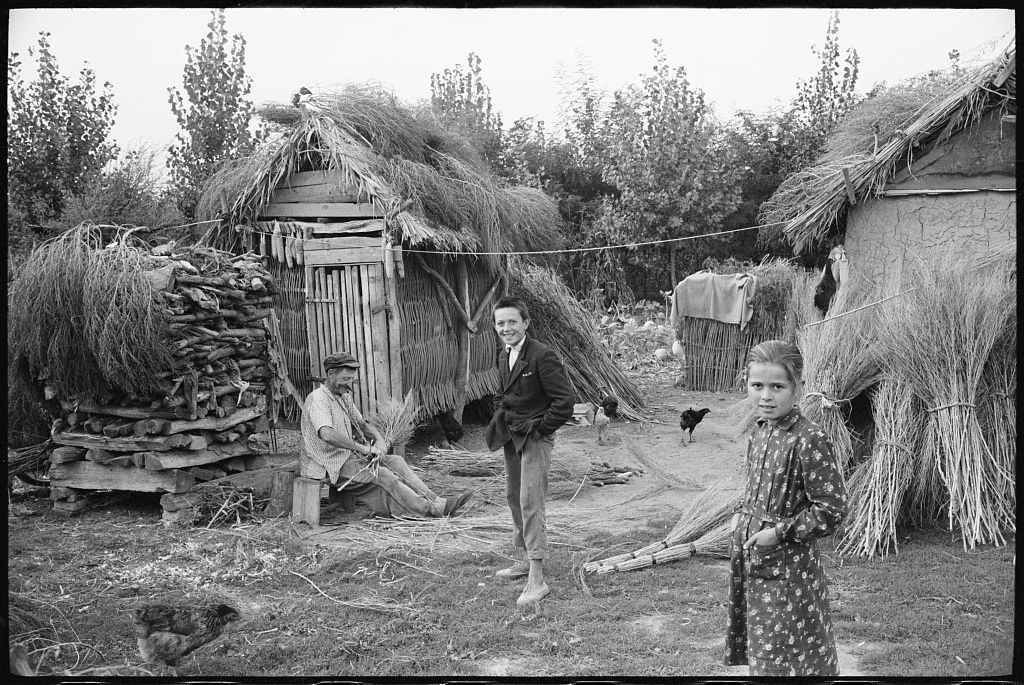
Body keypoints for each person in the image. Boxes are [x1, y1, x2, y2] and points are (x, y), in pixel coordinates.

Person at [724, 339, 847, 677]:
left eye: (777, 386)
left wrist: (778, 533)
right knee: (762, 645)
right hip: (753, 556)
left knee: (790, 649)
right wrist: (742, 519)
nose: (766, 395)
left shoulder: (809, 438)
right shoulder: (760, 431)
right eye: (757, 385)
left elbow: (832, 509)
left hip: (789, 565)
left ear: (796, 388)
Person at [301, 352, 473, 518]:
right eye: (345, 379)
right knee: (383, 475)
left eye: (351, 380)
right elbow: (327, 434)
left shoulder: (342, 397)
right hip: (325, 464)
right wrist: (364, 448)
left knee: (396, 461)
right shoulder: (318, 400)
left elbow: (363, 424)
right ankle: (429, 509)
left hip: (347, 458)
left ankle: (436, 500)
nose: (349, 384)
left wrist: (380, 441)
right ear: (331, 374)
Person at [485, 297, 575, 606]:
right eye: (501, 323)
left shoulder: (542, 356)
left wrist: (539, 429)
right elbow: (501, 393)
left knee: (530, 501)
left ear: (526, 323)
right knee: (513, 497)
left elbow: (565, 402)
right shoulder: (503, 355)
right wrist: (504, 416)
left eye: (512, 322)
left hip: (535, 437)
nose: (506, 328)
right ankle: (523, 559)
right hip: (513, 435)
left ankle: (537, 580)